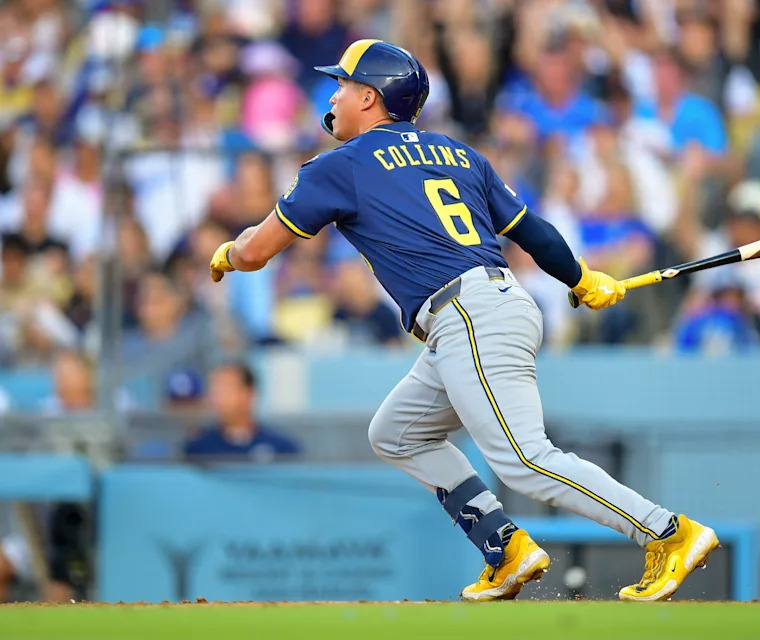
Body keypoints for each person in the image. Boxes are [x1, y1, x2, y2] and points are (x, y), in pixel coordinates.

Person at [208, 39, 718, 602]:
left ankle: (668, 532)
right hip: (490, 307)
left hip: (468, 316)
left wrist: (230, 250)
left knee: (525, 460)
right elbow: (533, 232)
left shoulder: (340, 166)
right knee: (396, 434)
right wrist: (578, 278)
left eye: (343, 84)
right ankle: (505, 546)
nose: (334, 95)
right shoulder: (457, 153)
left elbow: (256, 253)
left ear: (371, 98)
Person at [183, 362, 300, 462]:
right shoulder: (199, 448)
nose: (216, 398)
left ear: (248, 394)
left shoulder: (281, 448)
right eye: (214, 390)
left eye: (225, 389)